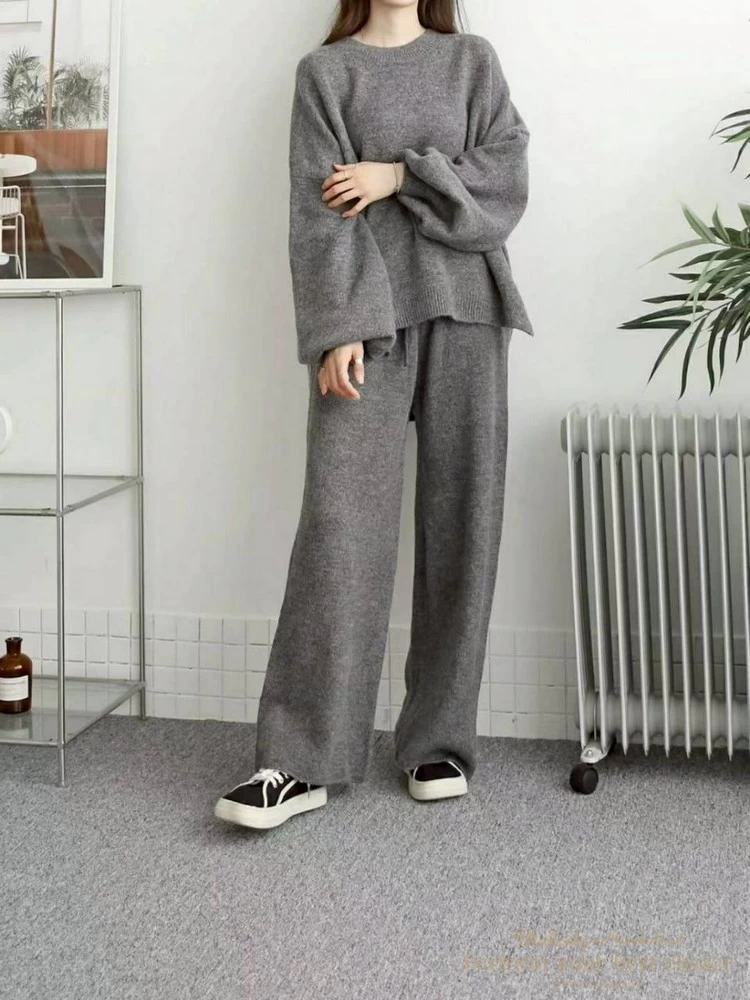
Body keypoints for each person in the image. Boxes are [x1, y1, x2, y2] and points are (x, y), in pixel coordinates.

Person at [215, 0, 532, 830]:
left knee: (464, 520)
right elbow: (316, 212)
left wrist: (398, 177)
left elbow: (506, 176)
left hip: (469, 309)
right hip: (368, 323)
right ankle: (300, 759)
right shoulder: (327, 75)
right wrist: (339, 326)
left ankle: (439, 740)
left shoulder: (471, 61)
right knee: (340, 527)